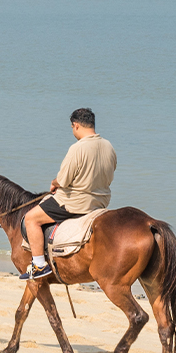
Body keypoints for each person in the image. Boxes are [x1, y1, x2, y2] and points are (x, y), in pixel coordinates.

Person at [20, 107, 116, 281]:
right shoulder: (109, 147)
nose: (73, 131)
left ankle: (39, 264)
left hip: (75, 204)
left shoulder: (77, 148)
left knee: (31, 219)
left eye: (72, 128)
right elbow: (109, 177)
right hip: (100, 203)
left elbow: (64, 179)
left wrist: (53, 183)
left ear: (76, 125)